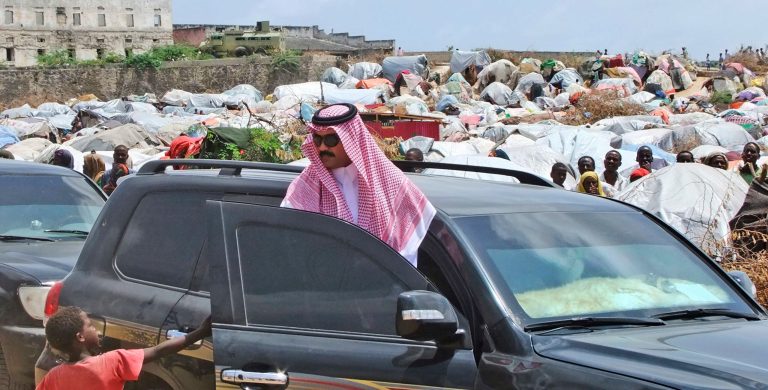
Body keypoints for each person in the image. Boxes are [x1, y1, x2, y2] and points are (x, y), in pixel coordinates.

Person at [281, 103, 436, 266]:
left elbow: (406, 252)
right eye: (317, 139)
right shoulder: (306, 186)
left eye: (331, 139)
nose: (322, 147)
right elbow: (291, 240)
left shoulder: (391, 181)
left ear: (351, 138)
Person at [36, 306, 210, 390]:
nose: (96, 331)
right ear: (80, 337)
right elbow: (159, 351)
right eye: (91, 326)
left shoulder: (54, 377)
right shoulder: (112, 361)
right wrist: (200, 332)